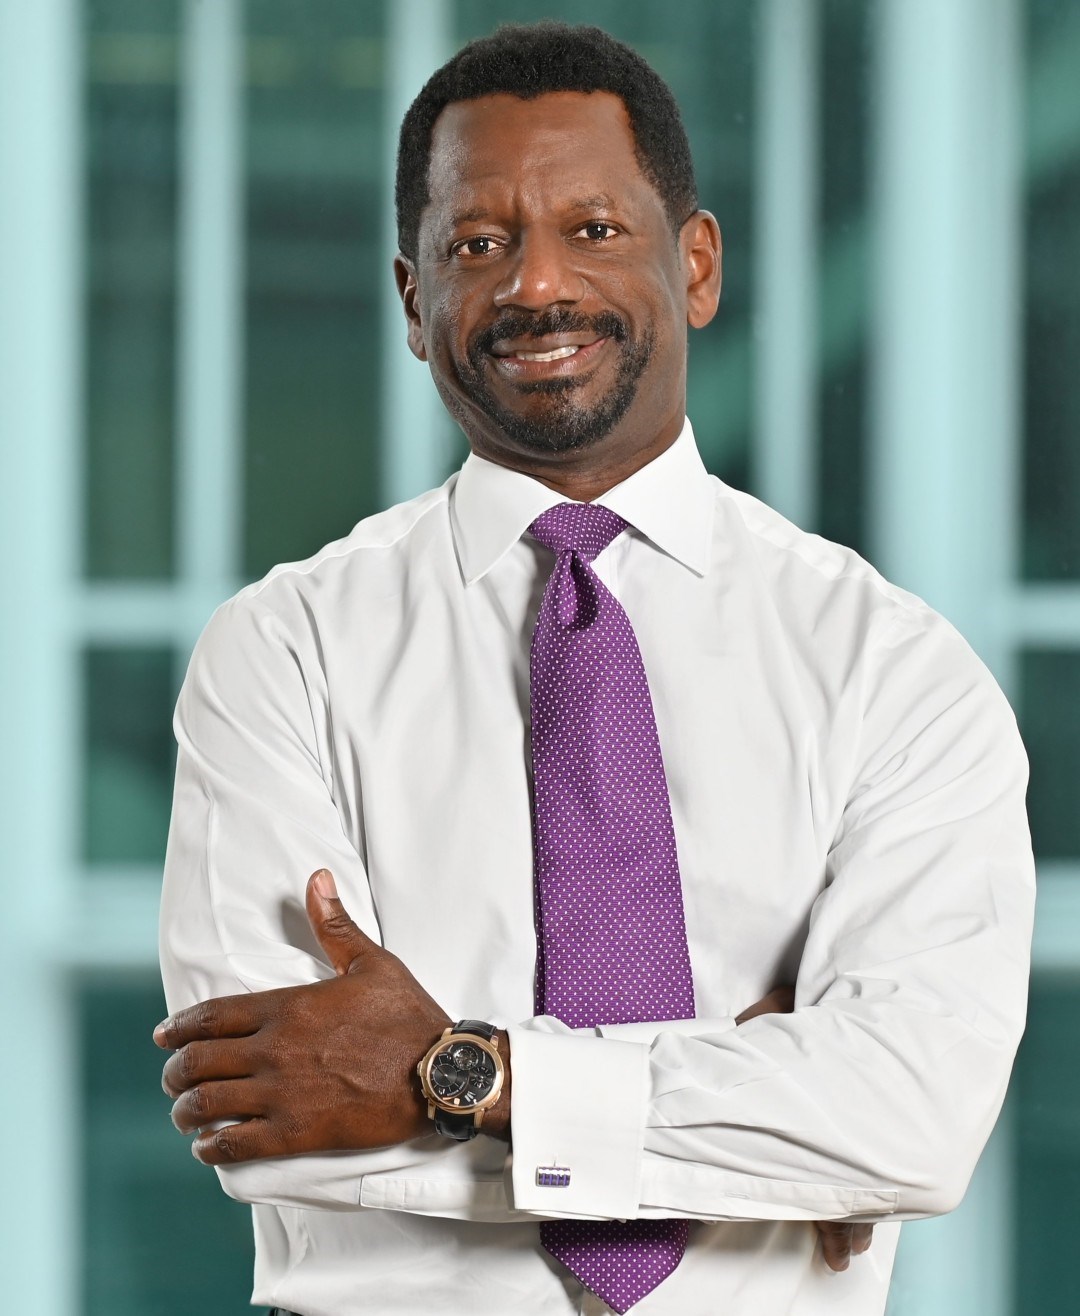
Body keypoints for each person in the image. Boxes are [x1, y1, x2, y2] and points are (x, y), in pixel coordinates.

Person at [154, 22, 1034, 1316]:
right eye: (478, 243)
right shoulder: (284, 652)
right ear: (413, 301)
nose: (534, 286)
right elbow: (277, 1117)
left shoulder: (890, 670)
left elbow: (911, 1120)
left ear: (697, 263)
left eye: (596, 230)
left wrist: (460, 1074)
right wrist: (757, 1133)